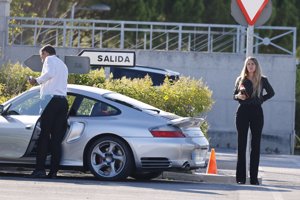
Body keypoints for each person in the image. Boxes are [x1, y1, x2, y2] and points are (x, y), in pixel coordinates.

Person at [28, 44, 69, 178]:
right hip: (63, 102)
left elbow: (49, 74)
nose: (41, 60)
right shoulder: (63, 64)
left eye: (41, 56)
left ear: (45, 53)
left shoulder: (49, 59)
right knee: (56, 139)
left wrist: (36, 80)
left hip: (50, 101)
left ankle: (40, 169)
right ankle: (54, 172)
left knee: (44, 136)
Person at [233, 56, 275, 185]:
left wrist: (260, 99)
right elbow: (234, 95)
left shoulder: (262, 80)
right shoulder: (241, 79)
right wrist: (237, 96)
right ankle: (240, 178)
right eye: (248, 64)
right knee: (241, 145)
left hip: (257, 112)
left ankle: (254, 178)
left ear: (256, 66)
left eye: (252, 64)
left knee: (255, 146)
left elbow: (271, 93)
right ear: (246, 66)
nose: (250, 66)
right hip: (242, 112)